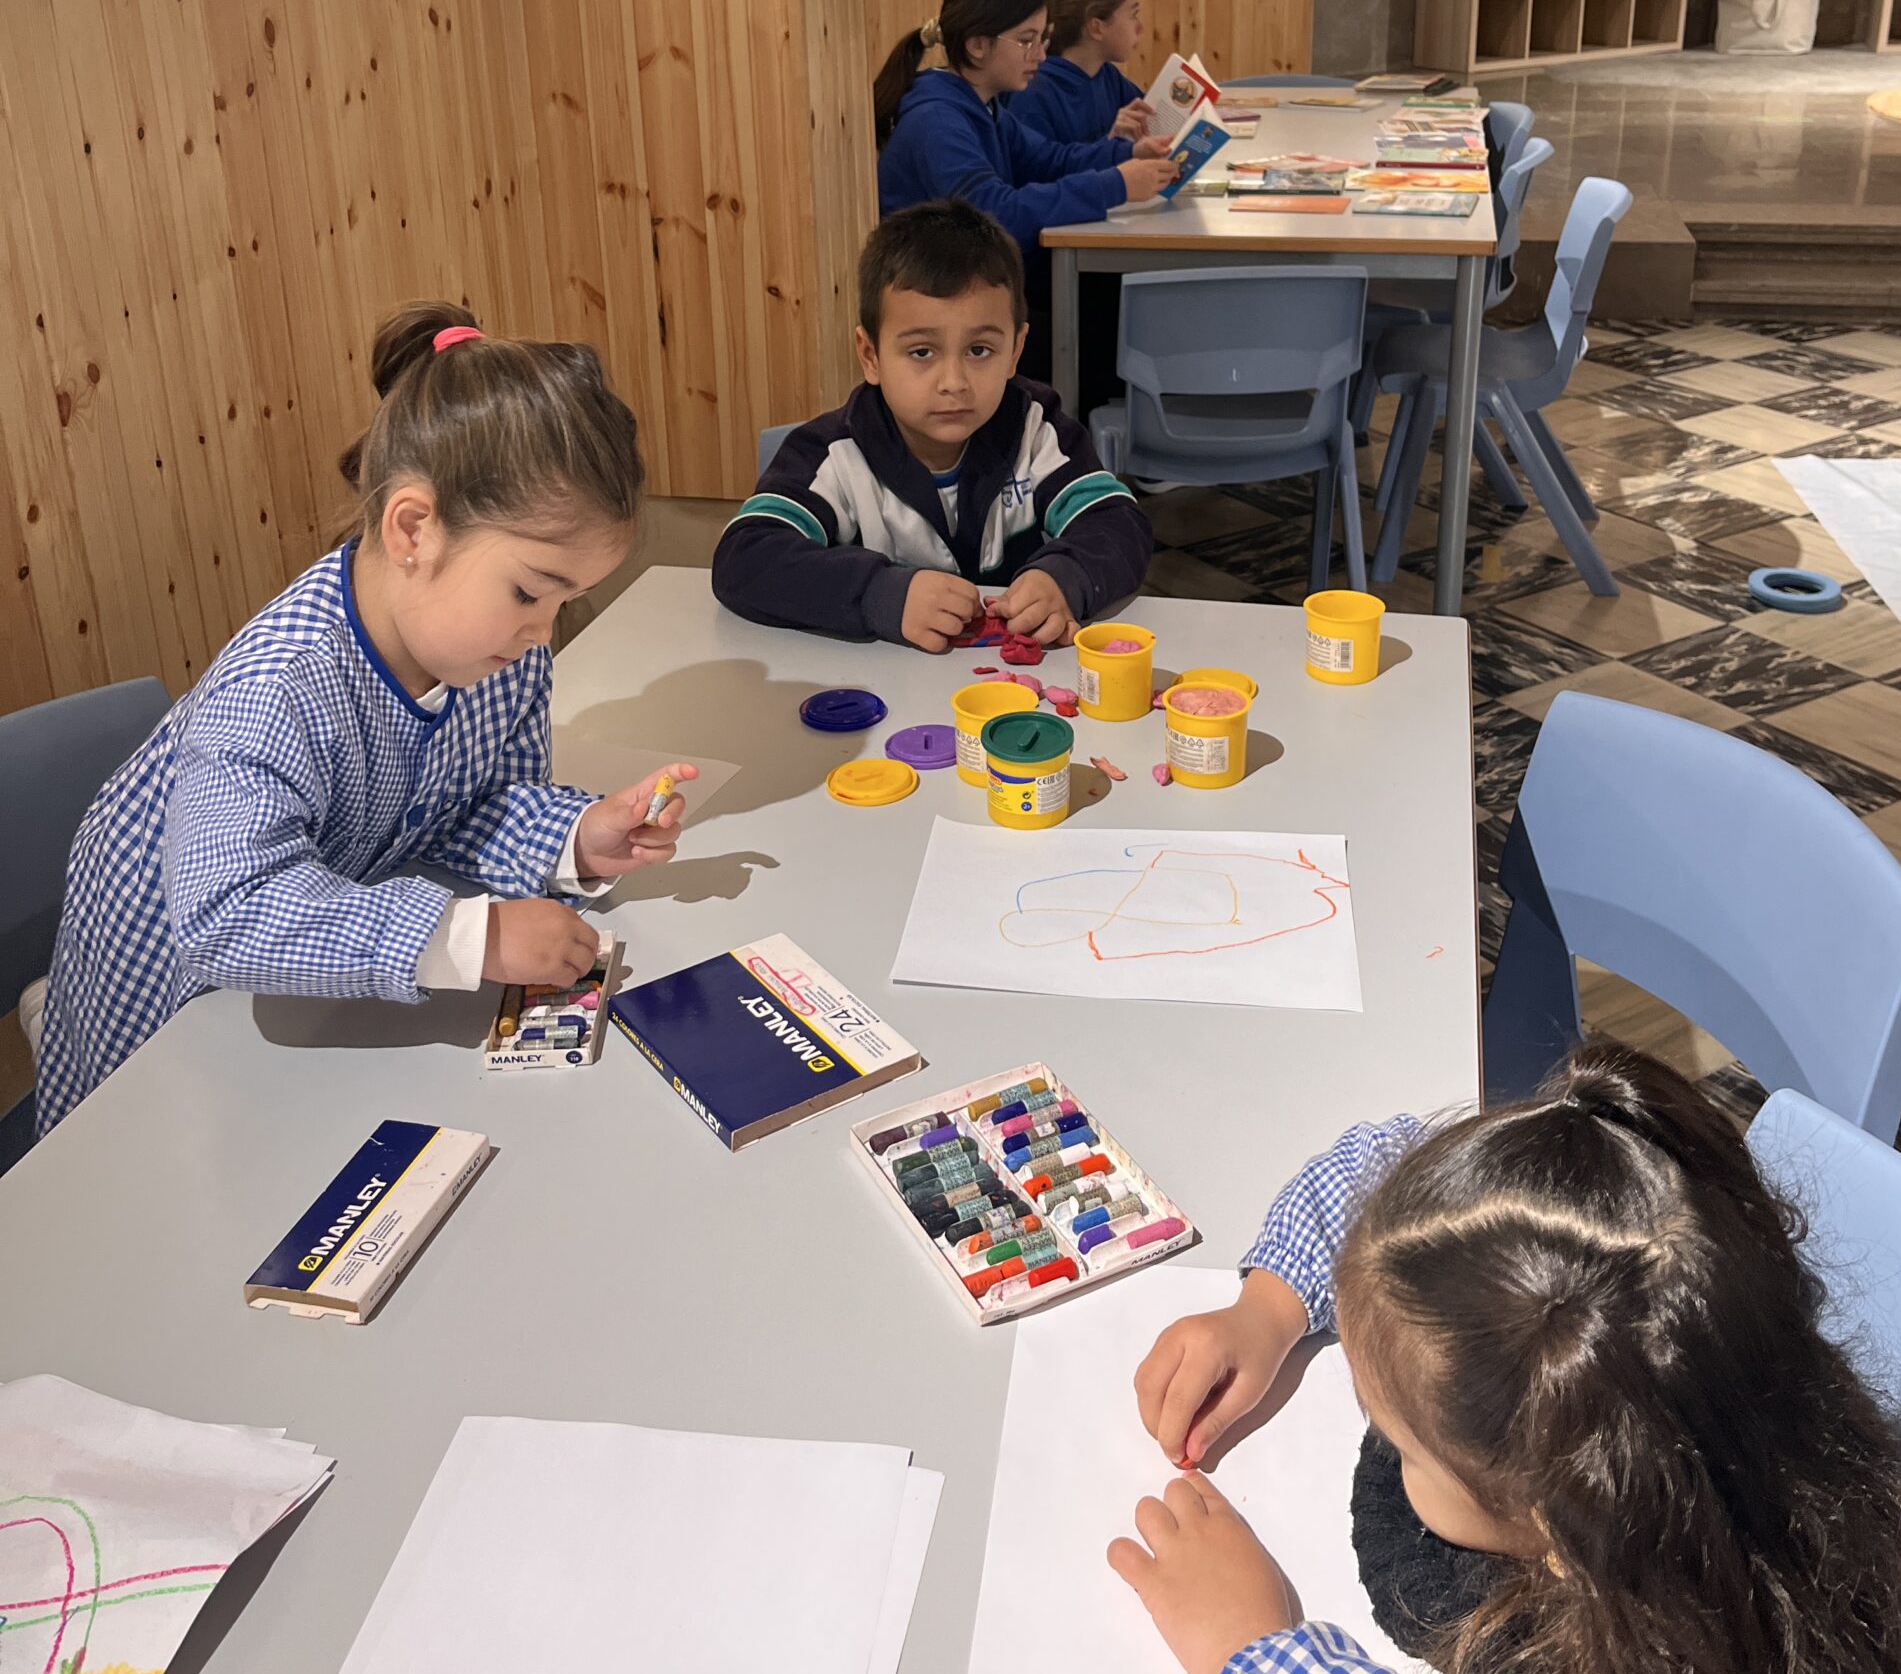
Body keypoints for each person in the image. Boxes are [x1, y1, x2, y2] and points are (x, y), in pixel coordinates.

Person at [1111, 1041, 1901, 1674]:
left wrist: (1253, 1658)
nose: (1392, 1453)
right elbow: (1381, 1164)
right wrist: (1267, 1309)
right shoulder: (1726, 1350)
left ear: (1563, 1527)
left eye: (1405, 1447)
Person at [35, 305, 697, 1130]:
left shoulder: (501, 654)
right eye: (530, 591)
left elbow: (474, 809)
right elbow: (226, 911)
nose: (543, 631)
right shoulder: (280, 685)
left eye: (565, 601)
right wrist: (474, 937)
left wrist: (576, 837)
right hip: (161, 997)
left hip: (306, 979)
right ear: (414, 529)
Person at [711, 200, 1151, 651]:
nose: (953, 382)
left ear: (1015, 351)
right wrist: (879, 593)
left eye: (979, 350)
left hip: (1005, 684)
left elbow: (1119, 523)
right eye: (922, 352)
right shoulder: (834, 453)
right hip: (879, 681)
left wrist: (1066, 576)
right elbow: (744, 558)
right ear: (870, 356)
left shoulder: (1036, 428)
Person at [874, 0, 1175, 373]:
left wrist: (1129, 154)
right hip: (942, 300)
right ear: (978, 46)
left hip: (974, 282)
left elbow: (1050, 159)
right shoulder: (938, 120)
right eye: (1026, 41)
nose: (1041, 55)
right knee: (1112, 327)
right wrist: (1116, 185)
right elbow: (996, 214)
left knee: (1118, 310)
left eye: (1041, 39)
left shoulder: (984, 106)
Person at [1006, 0, 1151, 148]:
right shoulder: (1035, 94)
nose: (1140, 27)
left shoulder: (1107, 75)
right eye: (1133, 14)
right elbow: (1039, 166)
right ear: (1097, 28)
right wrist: (1111, 146)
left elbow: (1153, 118)